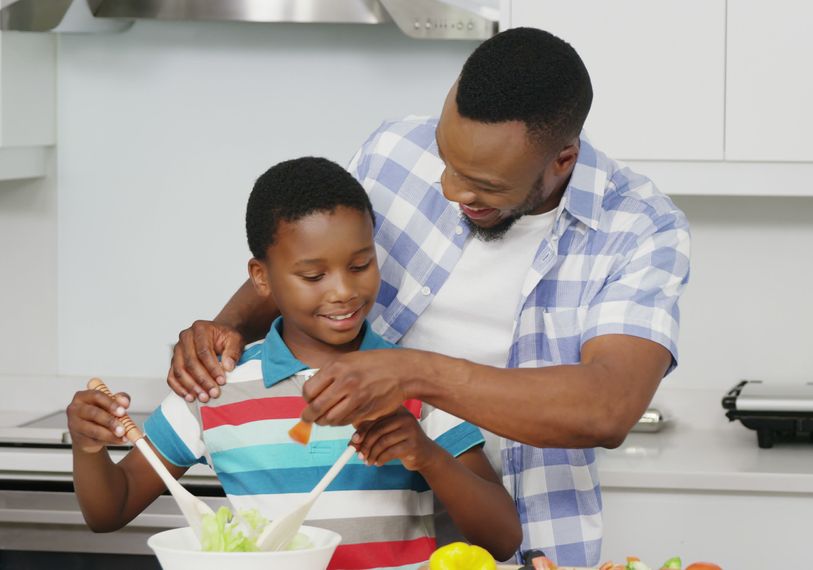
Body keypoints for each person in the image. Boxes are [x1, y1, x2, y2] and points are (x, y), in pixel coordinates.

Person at [166, 27, 691, 566]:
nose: (450, 189)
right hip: (381, 543)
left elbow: (607, 407)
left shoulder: (639, 227)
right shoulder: (394, 151)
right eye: (445, 158)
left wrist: (410, 374)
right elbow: (310, 261)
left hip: (526, 547)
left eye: (483, 184)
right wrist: (223, 329)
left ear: (561, 160)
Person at [65, 157, 520, 569]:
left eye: (360, 265)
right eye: (313, 276)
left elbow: (501, 537)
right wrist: (88, 449)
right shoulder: (217, 386)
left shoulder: (413, 380)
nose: (342, 291)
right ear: (261, 277)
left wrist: (427, 455)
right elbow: (111, 510)